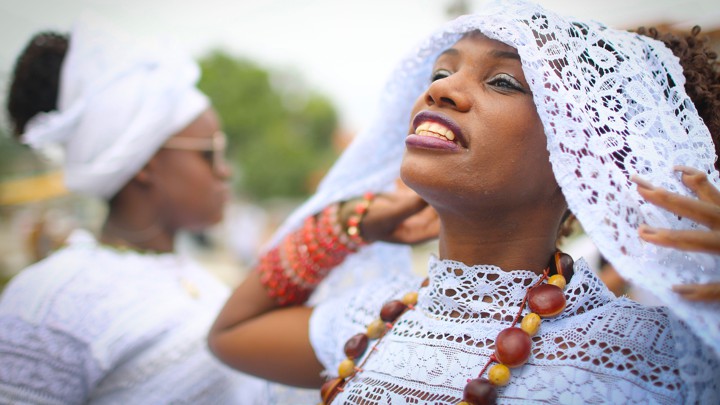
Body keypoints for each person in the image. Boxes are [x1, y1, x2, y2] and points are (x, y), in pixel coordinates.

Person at [208, 1, 720, 404]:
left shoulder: (655, 355)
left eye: (502, 81)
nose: (444, 90)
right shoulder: (371, 320)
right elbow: (233, 332)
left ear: (579, 157)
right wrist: (346, 225)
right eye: (439, 73)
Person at [0, 16, 270, 403]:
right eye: (210, 153)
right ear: (145, 163)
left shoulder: (201, 281)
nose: (225, 172)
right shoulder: (48, 298)